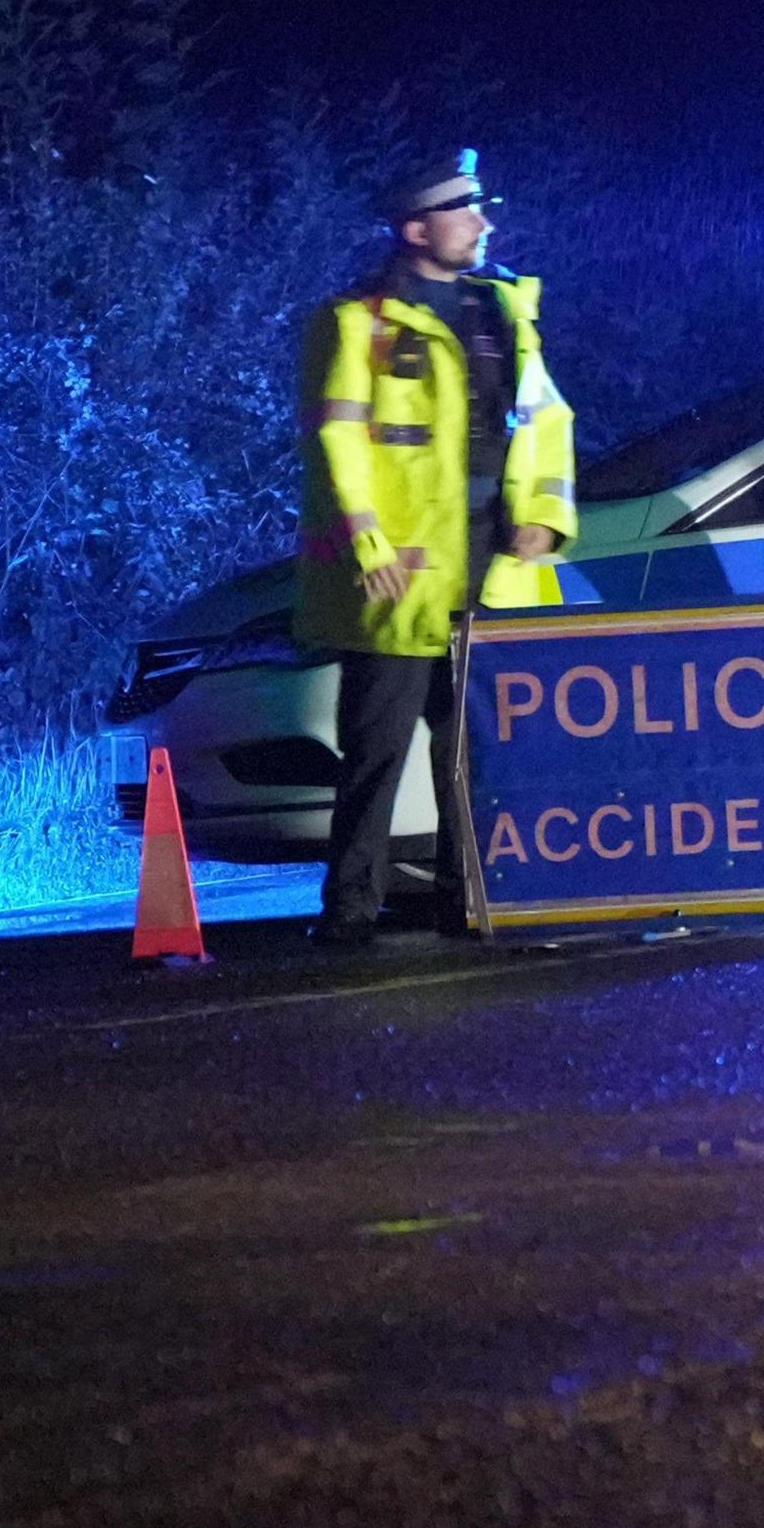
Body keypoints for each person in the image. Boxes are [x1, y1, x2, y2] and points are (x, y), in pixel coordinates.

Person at [294, 153, 579, 944]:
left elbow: (547, 420)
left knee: (478, 748)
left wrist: (547, 516)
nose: (485, 224)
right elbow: (337, 443)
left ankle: (469, 898)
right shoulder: (358, 321)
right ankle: (350, 909)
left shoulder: (505, 310)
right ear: (417, 227)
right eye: (466, 210)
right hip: (400, 578)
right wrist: (368, 543)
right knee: (377, 752)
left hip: (490, 562)